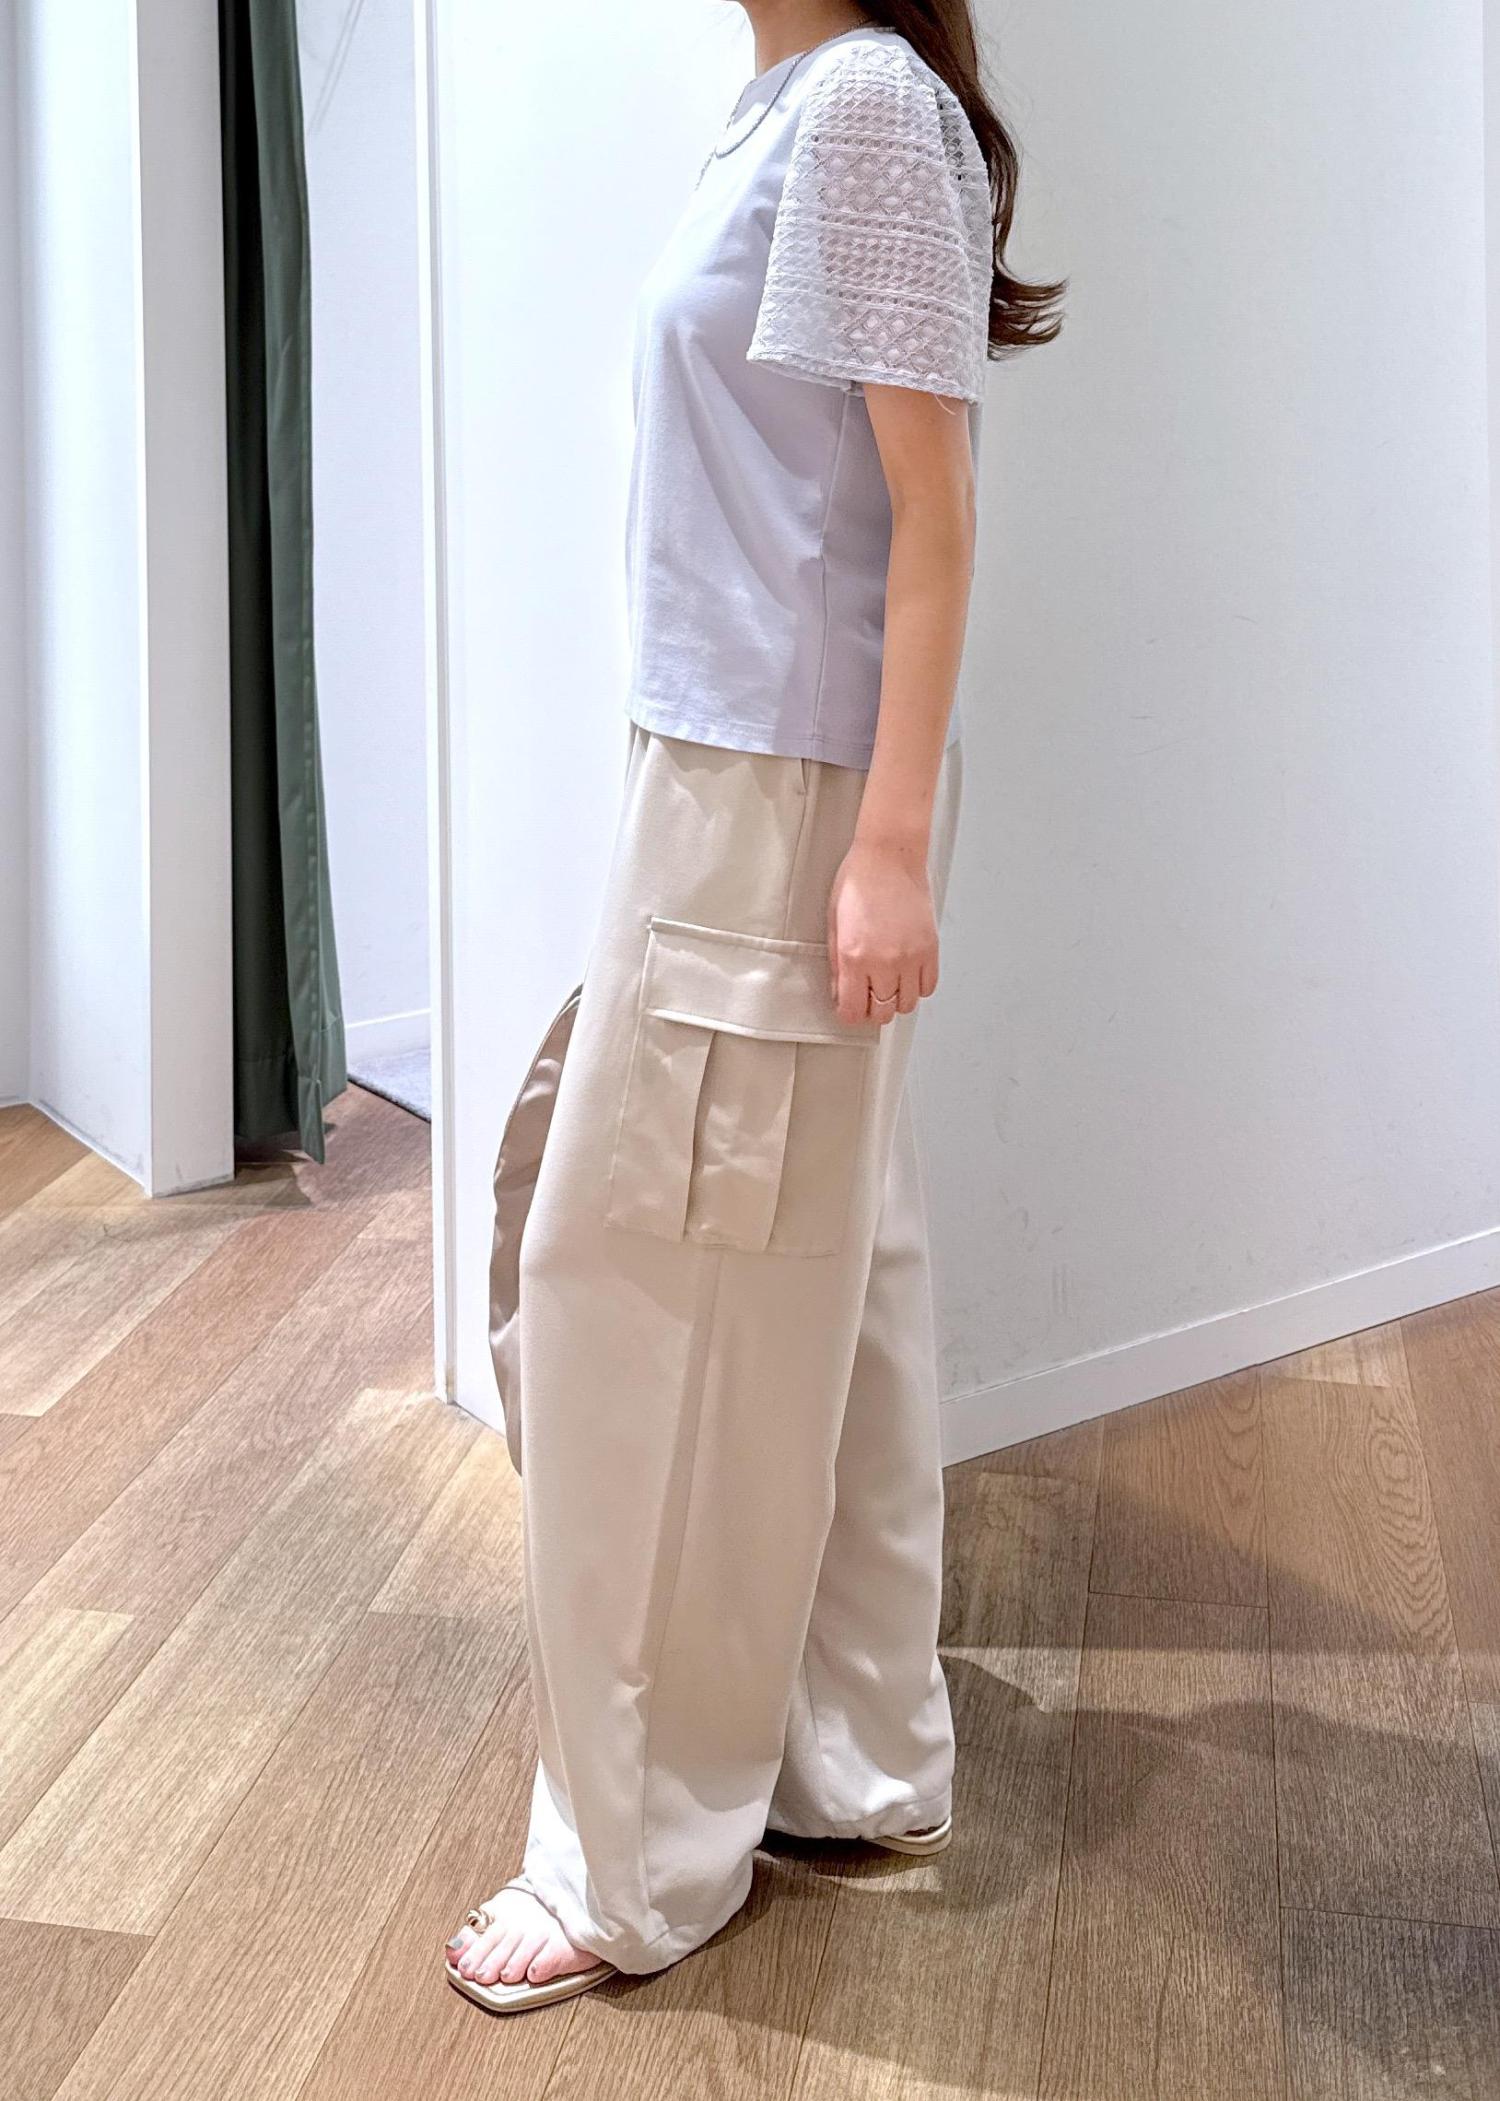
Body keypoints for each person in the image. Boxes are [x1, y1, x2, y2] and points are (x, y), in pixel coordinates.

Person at [445, 0, 1062, 2012]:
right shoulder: (793, 107)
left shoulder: (864, 105)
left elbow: (933, 513)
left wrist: (883, 844)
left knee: (645, 1297)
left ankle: (632, 1860)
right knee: (826, 1273)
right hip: (735, 770)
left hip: (782, 795)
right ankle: (860, 1754)